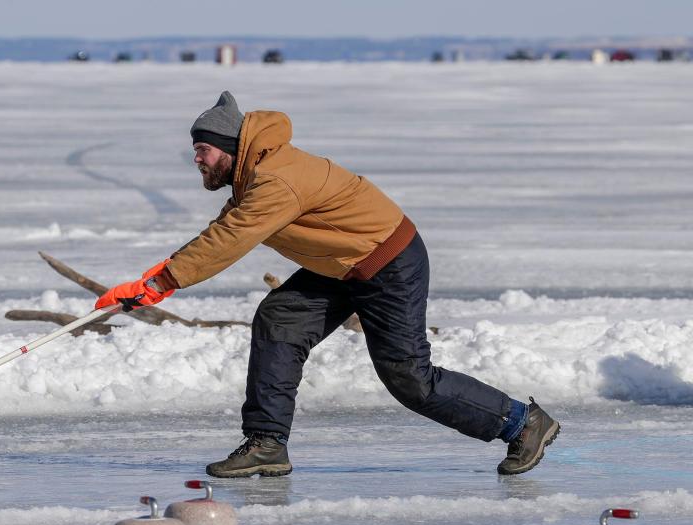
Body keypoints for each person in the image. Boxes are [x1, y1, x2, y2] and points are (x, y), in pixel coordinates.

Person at [96, 91, 560, 478]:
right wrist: (152, 279)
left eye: (204, 149)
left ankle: (522, 422)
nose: (196, 158)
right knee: (281, 319)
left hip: (387, 262)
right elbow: (225, 228)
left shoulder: (276, 179)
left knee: (410, 379)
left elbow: (232, 237)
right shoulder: (255, 177)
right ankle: (267, 443)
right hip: (342, 265)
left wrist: (160, 282)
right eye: (195, 148)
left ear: (231, 148)